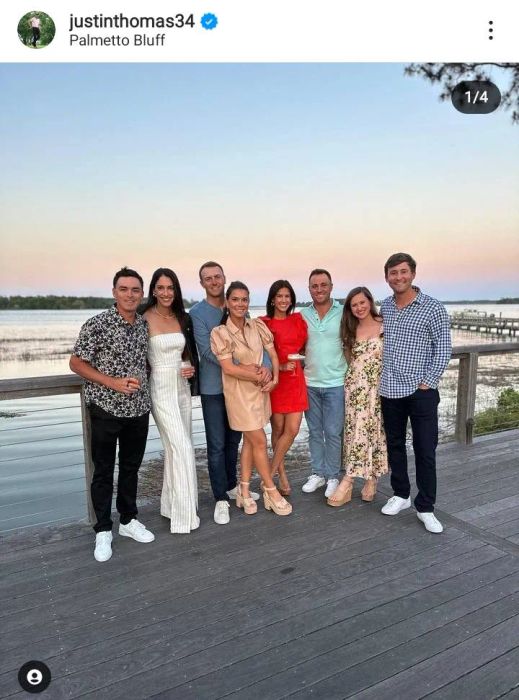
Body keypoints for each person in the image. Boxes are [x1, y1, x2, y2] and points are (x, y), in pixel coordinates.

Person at [70, 267, 155, 563]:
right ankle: (103, 529)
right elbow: (76, 363)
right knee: (104, 470)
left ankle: (128, 520)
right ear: (114, 292)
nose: (130, 295)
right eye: (124, 289)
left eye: (135, 290)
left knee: (131, 467)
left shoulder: (143, 325)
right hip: (105, 408)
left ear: (141, 294)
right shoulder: (98, 324)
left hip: (139, 408)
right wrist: (112, 382)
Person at [379, 252, 452, 533]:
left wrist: (428, 382)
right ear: (387, 277)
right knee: (395, 445)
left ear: (413, 274)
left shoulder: (433, 308)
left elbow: (443, 349)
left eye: (403, 271)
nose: (398, 277)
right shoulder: (384, 307)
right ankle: (401, 494)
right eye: (393, 273)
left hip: (421, 392)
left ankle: (426, 507)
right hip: (390, 389)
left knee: (425, 449)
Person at [190, 262, 265, 525]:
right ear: (202, 283)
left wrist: (262, 367)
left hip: (240, 389)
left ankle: (233, 487)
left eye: (217, 277)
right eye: (208, 278)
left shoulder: (236, 305)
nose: (213, 281)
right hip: (213, 389)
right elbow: (207, 351)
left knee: (234, 441)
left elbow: (254, 343)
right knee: (217, 445)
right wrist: (241, 366)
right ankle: (220, 498)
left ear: (224, 279)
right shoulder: (197, 313)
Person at [210, 281, 292, 516]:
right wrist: (256, 373)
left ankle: (244, 491)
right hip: (238, 396)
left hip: (259, 393)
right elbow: (229, 368)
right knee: (260, 441)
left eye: (244, 299)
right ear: (227, 303)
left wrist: (274, 377)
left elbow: (273, 355)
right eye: (235, 299)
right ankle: (270, 490)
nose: (240, 304)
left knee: (249, 442)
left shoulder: (257, 326)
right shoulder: (220, 332)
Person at [141, 268, 200, 534]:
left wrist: (189, 367)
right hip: (160, 386)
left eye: (170, 288)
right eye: (161, 287)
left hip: (181, 386)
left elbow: (187, 354)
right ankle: (183, 518)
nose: (166, 293)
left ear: (176, 291)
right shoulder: (143, 317)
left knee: (180, 445)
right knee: (181, 446)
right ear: (153, 290)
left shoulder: (181, 317)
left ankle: (171, 505)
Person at [327, 287, 388, 506]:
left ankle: (369, 478)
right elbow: (350, 360)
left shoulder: (385, 324)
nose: (359, 308)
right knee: (355, 431)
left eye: (362, 302)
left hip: (379, 388)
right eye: (354, 305)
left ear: (370, 301)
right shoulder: (350, 329)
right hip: (355, 389)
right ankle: (350, 479)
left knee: (376, 431)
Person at [300, 269, 348, 498]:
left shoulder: (343, 312)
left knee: (333, 432)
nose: (319, 289)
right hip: (309, 383)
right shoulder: (303, 315)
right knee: (314, 432)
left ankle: (332, 476)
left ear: (331, 287)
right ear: (309, 289)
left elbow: (354, 341)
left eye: (323, 285)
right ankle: (317, 473)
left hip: (336, 383)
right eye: (314, 286)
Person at [261, 280, 308, 496]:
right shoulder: (264, 323)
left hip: (296, 379)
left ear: (291, 299)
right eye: (279, 296)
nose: (283, 300)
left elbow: (304, 347)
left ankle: (269, 475)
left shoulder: (298, 320)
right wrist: (279, 366)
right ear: (272, 299)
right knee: (278, 430)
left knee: (293, 430)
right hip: (277, 382)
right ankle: (281, 475)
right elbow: (260, 355)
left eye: (287, 296)